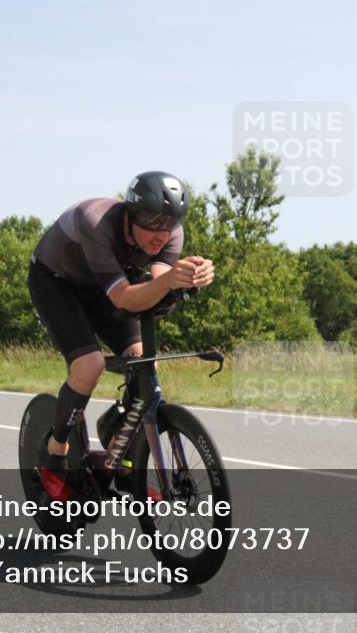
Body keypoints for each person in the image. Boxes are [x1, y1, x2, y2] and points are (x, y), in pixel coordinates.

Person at [27, 171, 214, 492]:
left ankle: (123, 459)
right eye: (151, 223)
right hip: (56, 283)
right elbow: (124, 298)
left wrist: (186, 279)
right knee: (89, 366)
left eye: (168, 224)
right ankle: (55, 453)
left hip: (103, 288)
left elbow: (155, 286)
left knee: (145, 365)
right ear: (130, 214)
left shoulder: (171, 234)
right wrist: (167, 282)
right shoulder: (94, 221)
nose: (160, 235)